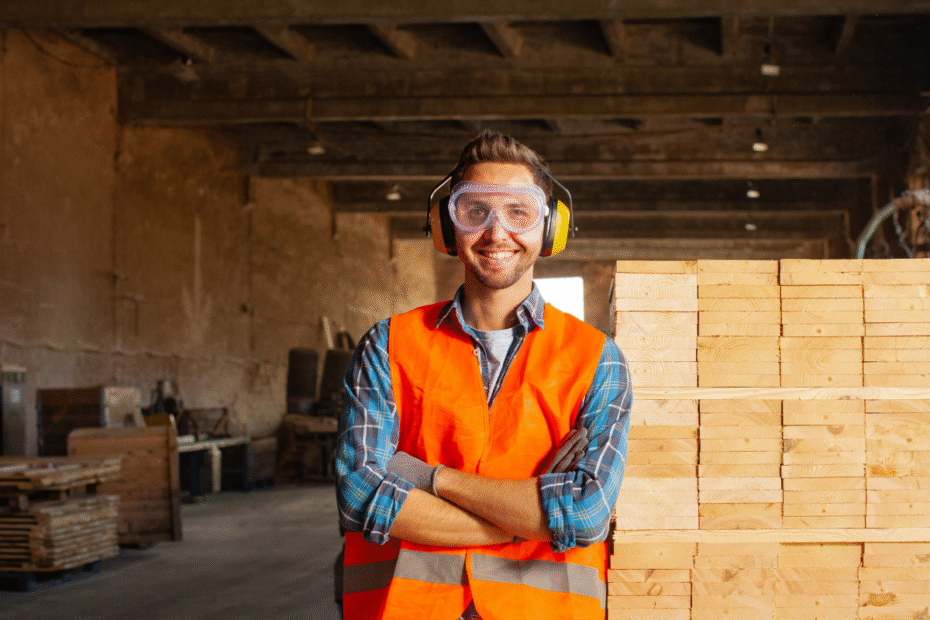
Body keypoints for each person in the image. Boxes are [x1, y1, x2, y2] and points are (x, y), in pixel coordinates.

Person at [335, 130, 631, 620]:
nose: (497, 232)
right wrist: (529, 519)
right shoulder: (388, 344)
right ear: (447, 227)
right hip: (411, 609)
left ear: (549, 227)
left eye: (520, 212)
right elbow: (361, 495)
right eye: (475, 211)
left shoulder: (597, 358)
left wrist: (429, 478)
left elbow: (584, 512)